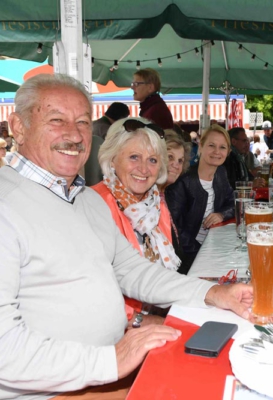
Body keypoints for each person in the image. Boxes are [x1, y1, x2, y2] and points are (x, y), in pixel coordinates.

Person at [0, 74, 252, 400]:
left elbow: (133, 271)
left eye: (80, 122)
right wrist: (111, 360)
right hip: (53, 389)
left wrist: (216, 293)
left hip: (103, 370)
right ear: (17, 127)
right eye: (56, 120)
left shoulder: (83, 199)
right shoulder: (7, 203)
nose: (74, 134)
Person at [92, 118, 190, 327]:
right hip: (118, 328)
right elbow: (94, 290)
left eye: (153, 160)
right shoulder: (95, 204)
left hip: (159, 309)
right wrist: (142, 321)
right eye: (134, 157)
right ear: (112, 159)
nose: (144, 169)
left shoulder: (155, 204)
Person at [166, 124, 235, 271]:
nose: (217, 152)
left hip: (213, 246)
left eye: (222, 147)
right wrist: (202, 252)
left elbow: (233, 203)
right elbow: (174, 230)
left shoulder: (221, 173)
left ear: (228, 152)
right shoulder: (182, 181)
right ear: (201, 146)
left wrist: (221, 214)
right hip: (188, 258)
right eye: (211, 145)